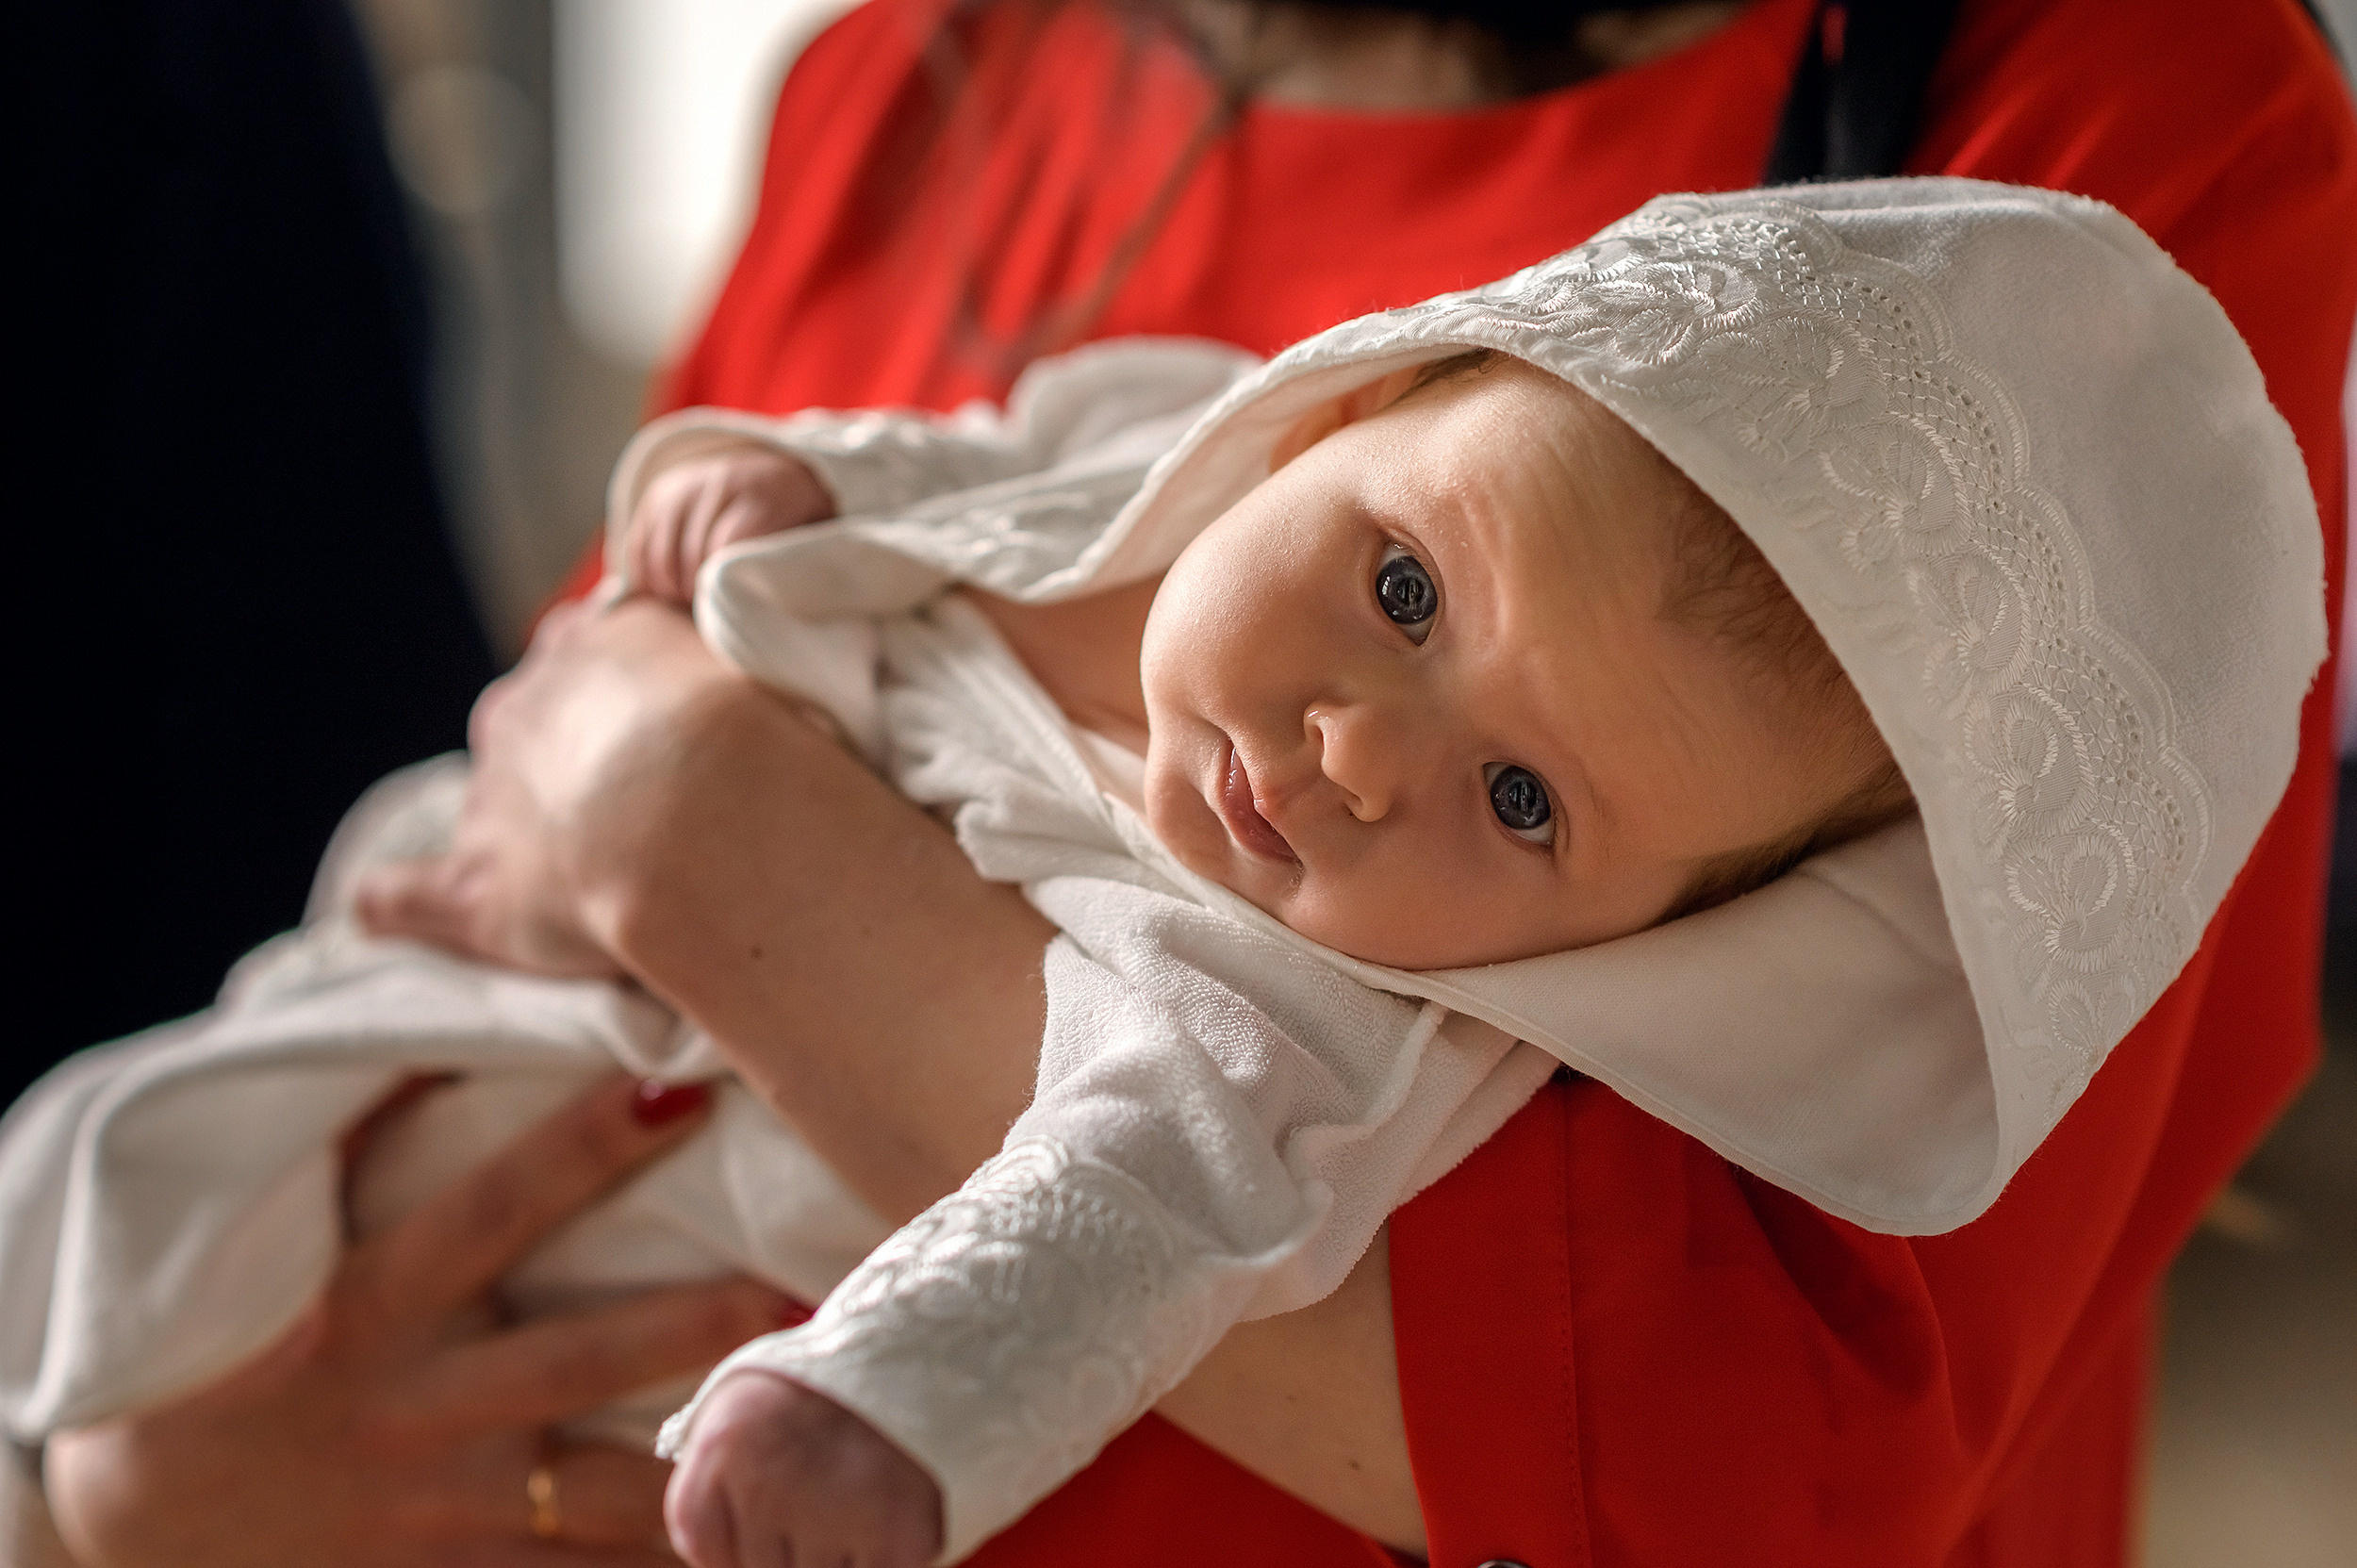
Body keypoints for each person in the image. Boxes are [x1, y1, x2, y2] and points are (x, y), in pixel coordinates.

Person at [28, 2, 2357, 1564]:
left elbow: (1742, 1453)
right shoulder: (925, 72)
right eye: (1400, 590)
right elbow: (578, 731)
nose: (1350, 747)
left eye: (1526, 805)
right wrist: (137, 1486)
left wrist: (695, 829)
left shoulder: (2041, 254)